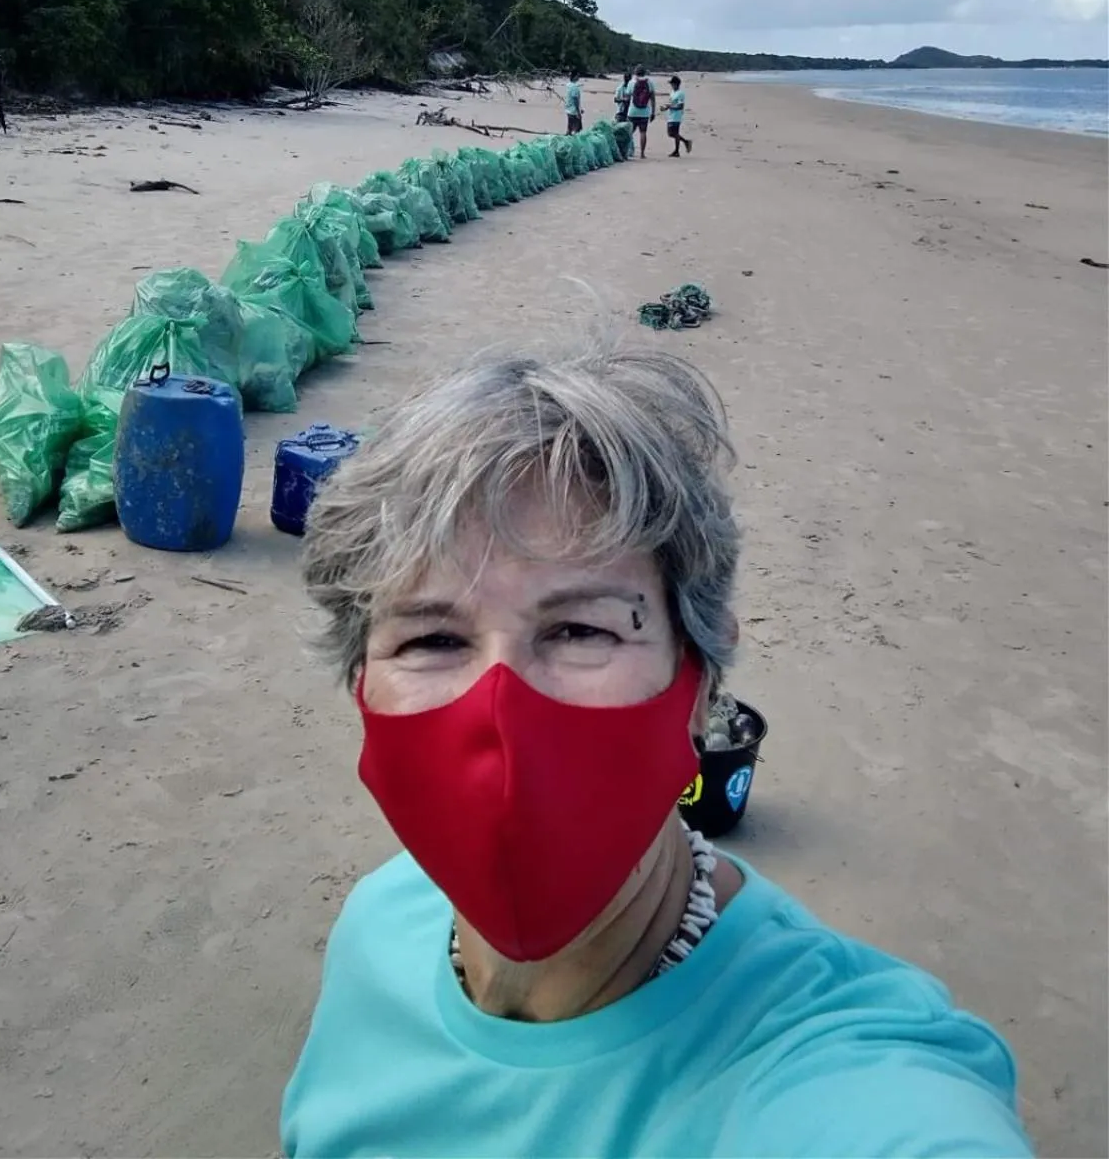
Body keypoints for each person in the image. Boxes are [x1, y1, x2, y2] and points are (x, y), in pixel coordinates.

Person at [282, 340, 1031, 1159]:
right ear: (360, 678)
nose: (497, 711)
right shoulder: (379, 925)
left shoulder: (835, 1074)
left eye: (580, 629)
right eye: (430, 639)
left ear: (702, 680)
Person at [627, 63, 656, 157]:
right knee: (643, 132)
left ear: (635, 72)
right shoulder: (650, 82)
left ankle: (627, 151)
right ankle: (642, 154)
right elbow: (653, 98)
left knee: (629, 132)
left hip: (632, 111)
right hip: (644, 112)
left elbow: (628, 96)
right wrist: (653, 112)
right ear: (644, 73)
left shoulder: (632, 82)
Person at [664, 73, 692, 157]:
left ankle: (678, 149)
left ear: (676, 84)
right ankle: (685, 142)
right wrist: (666, 107)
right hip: (671, 115)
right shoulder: (672, 92)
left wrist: (670, 107)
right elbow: (671, 103)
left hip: (676, 116)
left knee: (674, 133)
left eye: (672, 84)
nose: (671, 85)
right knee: (671, 133)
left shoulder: (680, 94)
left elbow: (680, 106)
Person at [564, 70, 583, 135]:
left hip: (568, 109)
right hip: (573, 111)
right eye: (578, 76)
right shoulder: (574, 87)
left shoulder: (568, 85)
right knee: (577, 130)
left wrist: (581, 108)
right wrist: (578, 112)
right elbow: (575, 100)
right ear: (574, 77)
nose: (578, 77)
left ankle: (566, 140)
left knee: (569, 128)